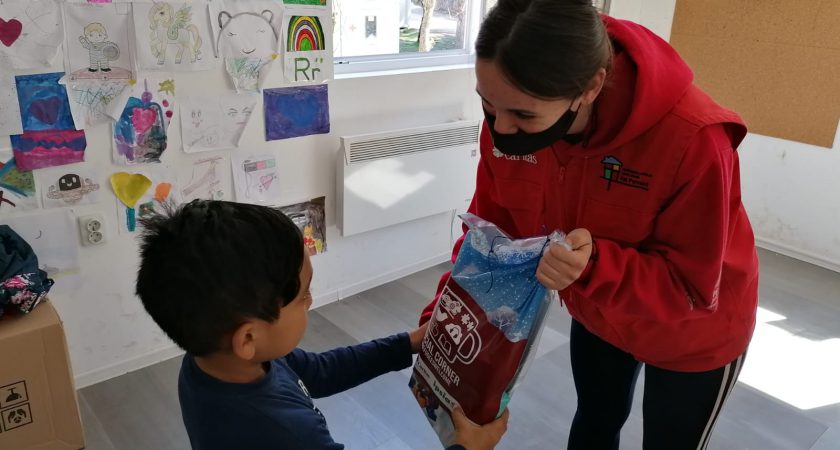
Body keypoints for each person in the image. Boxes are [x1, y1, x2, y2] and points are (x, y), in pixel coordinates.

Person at [419, 1, 759, 449]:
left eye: (523, 115)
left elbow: (692, 290)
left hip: (694, 334)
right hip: (598, 313)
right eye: (487, 104)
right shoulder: (509, 116)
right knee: (595, 422)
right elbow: (488, 235)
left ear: (591, 87)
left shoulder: (694, 140)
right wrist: (447, 313)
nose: (500, 127)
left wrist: (595, 266)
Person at [135, 200, 509, 450]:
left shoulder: (213, 361)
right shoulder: (287, 432)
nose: (311, 301)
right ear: (248, 337)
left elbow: (317, 371)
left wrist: (408, 343)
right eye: (303, 296)